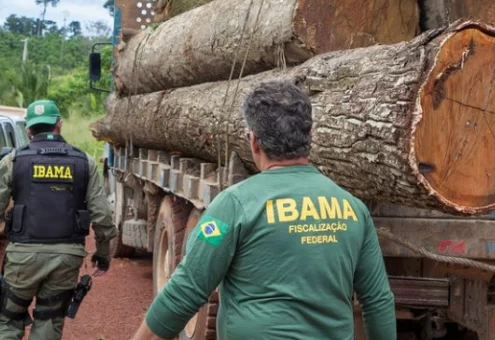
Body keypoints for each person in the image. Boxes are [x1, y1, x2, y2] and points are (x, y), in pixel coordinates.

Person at [131, 80, 396, 340]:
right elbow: (377, 300)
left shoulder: (233, 206)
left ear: (254, 141)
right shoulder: (353, 209)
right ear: (310, 136)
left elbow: (186, 290)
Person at [0, 99, 117, 340]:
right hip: (67, 259)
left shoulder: (13, 162)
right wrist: (103, 256)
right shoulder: (84, 162)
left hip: (22, 257)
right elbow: (103, 218)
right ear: (59, 125)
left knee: (7, 320)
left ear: (28, 130)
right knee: (49, 321)